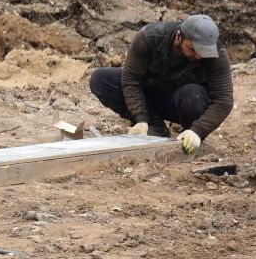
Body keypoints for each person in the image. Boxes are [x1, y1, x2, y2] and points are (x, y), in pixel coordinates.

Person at [88, 14, 234, 154]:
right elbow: (131, 79)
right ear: (178, 36)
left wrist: (198, 130)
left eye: (203, 52)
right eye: (193, 49)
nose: (198, 56)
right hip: (149, 93)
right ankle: (154, 126)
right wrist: (140, 118)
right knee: (101, 79)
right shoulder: (150, 37)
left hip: (182, 102)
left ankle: (187, 136)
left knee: (194, 95)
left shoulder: (217, 55)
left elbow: (223, 101)